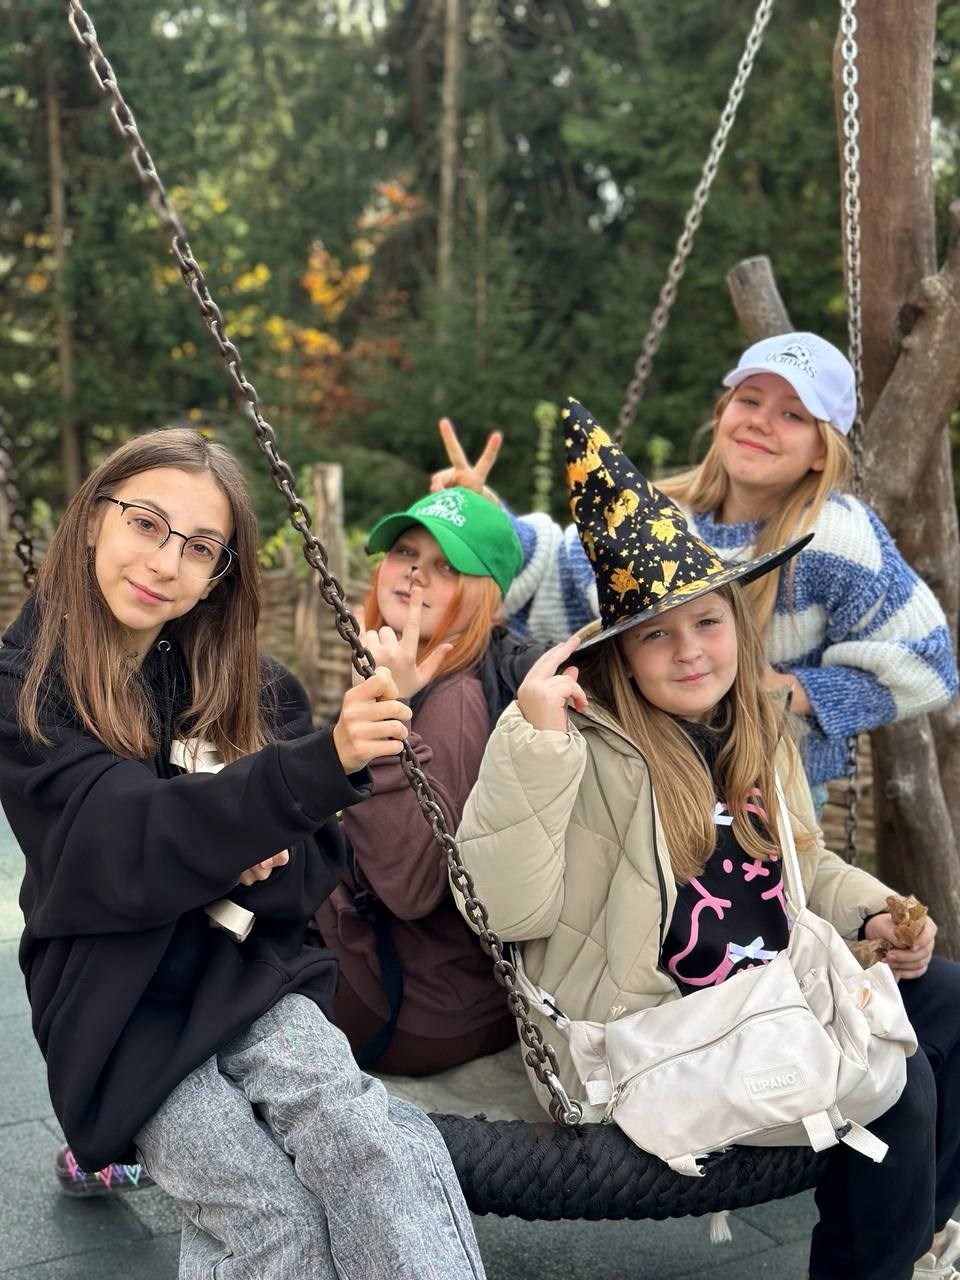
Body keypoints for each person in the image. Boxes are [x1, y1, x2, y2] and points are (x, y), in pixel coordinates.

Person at [453, 398, 960, 1280]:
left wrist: (874, 913)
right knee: (894, 1085)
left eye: (708, 622)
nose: (690, 651)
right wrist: (534, 741)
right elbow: (503, 911)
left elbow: (802, 863)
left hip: (770, 990)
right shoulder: (573, 741)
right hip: (647, 1030)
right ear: (619, 654)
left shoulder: (756, 727)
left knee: (948, 1000)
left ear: (739, 624)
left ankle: (914, 1244)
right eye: (656, 635)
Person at [0, 429, 486, 1279]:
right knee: (266, 1213)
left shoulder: (253, 689)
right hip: (120, 1005)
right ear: (93, 519)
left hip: (246, 972)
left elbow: (310, 872)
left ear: (219, 574)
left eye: (200, 548)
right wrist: (261, 813)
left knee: (367, 1135)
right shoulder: (26, 690)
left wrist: (251, 848)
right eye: (146, 524)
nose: (166, 563)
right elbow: (116, 838)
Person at [431, 333, 958, 798]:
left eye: (792, 414)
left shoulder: (835, 537)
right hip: (644, 774)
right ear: (723, 412)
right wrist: (483, 519)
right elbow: (563, 569)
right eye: (749, 400)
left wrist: (788, 691)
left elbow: (928, 664)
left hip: (768, 787)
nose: (760, 421)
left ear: (823, 450)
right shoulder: (666, 514)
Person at [314, 487, 542, 1074]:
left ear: (486, 598)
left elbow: (413, 890)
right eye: (406, 553)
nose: (417, 572)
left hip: (414, 1005)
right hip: (403, 980)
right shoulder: (418, 677)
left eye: (447, 566)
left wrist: (386, 719)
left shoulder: (456, 703)